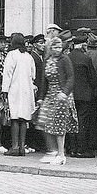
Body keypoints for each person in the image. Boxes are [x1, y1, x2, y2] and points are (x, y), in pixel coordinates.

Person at [36, 36, 78, 165]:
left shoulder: (65, 59)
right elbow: (44, 81)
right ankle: (52, 150)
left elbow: (71, 78)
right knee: (42, 122)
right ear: (50, 47)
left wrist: (65, 93)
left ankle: (61, 154)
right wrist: (41, 98)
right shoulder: (47, 60)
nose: (58, 50)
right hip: (50, 94)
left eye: (59, 47)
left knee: (59, 124)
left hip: (61, 94)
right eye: (55, 47)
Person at [1, 32, 36, 156]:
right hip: (27, 90)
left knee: (15, 117)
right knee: (24, 118)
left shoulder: (11, 55)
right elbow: (33, 74)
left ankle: (15, 146)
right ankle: (22, 147)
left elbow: (7, 74)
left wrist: (5, 90)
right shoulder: (28, 56)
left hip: (14, 89)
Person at [67, 34, 97, 158]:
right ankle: (81, 149)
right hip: (84, 95)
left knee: (71, 121)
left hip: (69, 95)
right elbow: (93, 79)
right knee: (82, 122)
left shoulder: (67, 57)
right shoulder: (86, 59)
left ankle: (71, 148)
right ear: (84, 45)